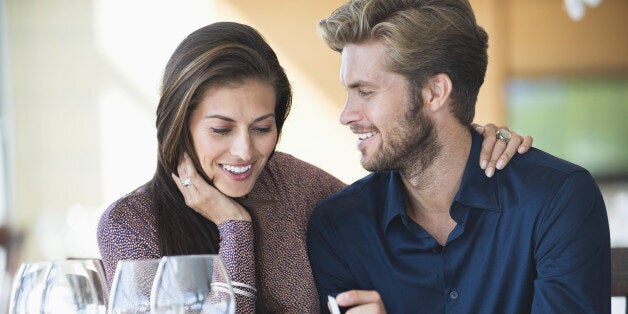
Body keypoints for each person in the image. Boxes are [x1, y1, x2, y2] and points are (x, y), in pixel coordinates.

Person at [97, 22, 532, 313]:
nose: (245, 151)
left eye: (262, 128)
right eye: (221, 129)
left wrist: (466, 138)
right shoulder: (130, 224)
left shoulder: (302, 190)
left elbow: (404, 199)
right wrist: (234, 227)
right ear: (179, 124)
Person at [307, 0, 611, 313]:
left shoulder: (556, 200)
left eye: (365, 92)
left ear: (435, 92)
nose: (346, 115)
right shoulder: (338, 228)